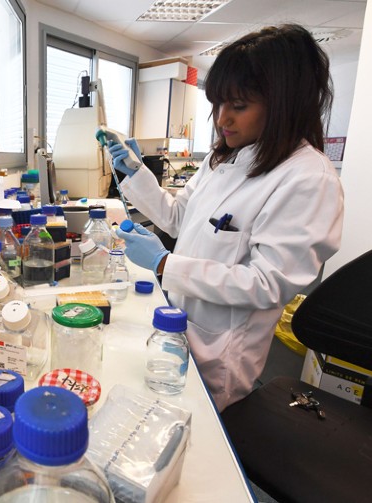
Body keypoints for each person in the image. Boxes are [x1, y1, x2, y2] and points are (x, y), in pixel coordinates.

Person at [109, 24, 344, 411]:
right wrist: (135, 172)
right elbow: (178, 217)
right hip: (176, 326)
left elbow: (268, 284)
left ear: (284, 104)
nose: (222, 120)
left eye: (238, 106)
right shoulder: (225, 158)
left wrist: (165, 263)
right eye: (217, 105)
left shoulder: (308, 178)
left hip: (220, 352)